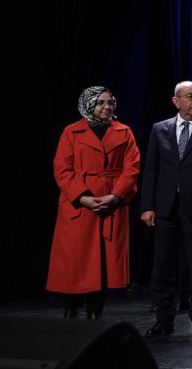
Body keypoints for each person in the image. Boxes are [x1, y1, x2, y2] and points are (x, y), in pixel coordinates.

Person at [141, 81, 192, 338]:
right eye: (190, 96)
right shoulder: (159, 129)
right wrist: (147, 206)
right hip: (165, 209)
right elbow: (151, 171)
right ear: (176, 101)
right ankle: (163, 320)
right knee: (162, 266)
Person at [48, 86, 140, 319]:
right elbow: (62, 169)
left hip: (110, 203)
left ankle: (94, 311)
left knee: (103, 261)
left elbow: (132, 169)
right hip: (79, 204)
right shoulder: (72, 132)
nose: (106, 107)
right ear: (88, 104)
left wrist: (116, 195)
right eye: (100, 103)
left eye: (110, 102)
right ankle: (70, 308)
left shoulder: (124, 131)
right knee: (75, 259)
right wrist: (82, 197)